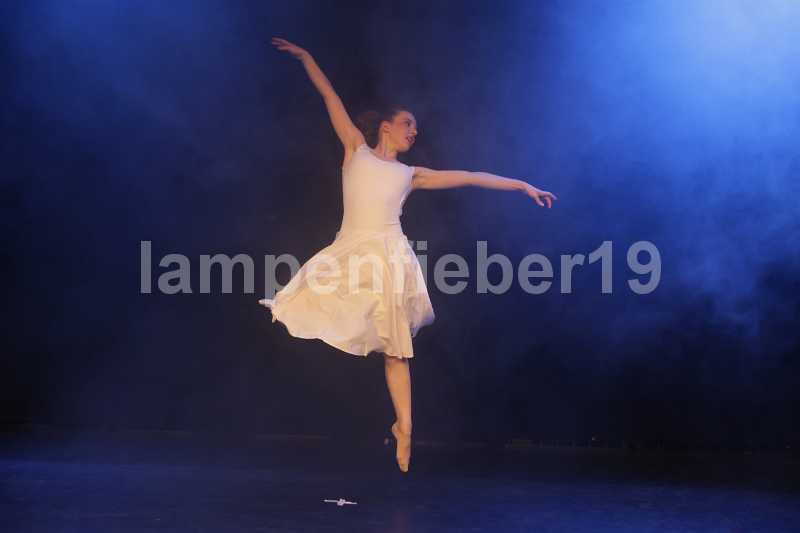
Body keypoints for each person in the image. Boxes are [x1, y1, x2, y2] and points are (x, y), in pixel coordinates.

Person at [262, 37, 557, 473]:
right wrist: (307, 57)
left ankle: (405, 427)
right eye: (407, 123)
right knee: (315, 305)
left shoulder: (411, 174)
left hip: (389, 257)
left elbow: (469, 175)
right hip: (351, 249)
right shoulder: (355, 150)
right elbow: (330, 96)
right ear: (385, 126)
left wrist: (521, 185)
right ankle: (369, 418)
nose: (413, 131)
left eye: (415, 127)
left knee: (395, 348)